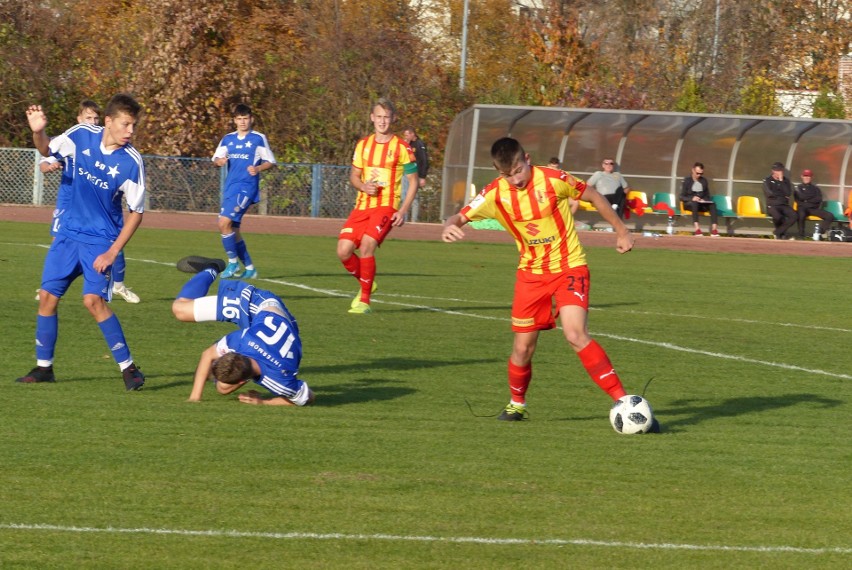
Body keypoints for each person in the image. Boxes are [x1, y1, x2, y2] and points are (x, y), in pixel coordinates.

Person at [442, 137, 652, 429]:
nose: (515, 179)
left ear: (526, 159)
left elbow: (592, 194)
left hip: (569, 266)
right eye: (507, 174)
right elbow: (459, 215)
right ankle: (517, 404)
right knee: (522, 349)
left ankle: (623, 401)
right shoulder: (494, 193)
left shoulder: (553, 179)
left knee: (575, 333)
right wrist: (450, 226)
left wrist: (621, 231)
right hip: (531, 275)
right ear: (498, 172)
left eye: (518, 170)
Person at [16, 94, 146, 390]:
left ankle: (129, 369)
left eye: (134, 126)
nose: (130, 131)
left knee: (93, 301)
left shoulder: (131, 162)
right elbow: (47, 149)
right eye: (126, 124)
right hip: (68, 235)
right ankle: (43, 368)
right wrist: (38, 131)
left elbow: (136, 213)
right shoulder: (81, 136)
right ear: (110, 122)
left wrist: (113, 252)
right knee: (48, 298)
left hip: (100, 241)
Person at [173, 255, 314, 406]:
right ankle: (212, 268)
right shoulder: (242, 342)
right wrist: (195, 397)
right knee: (180, 310)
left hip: (261, 315)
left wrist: (262, 402)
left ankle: (211, 269)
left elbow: (309, 398)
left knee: (223, 388)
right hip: (261, 309)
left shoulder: (279, 379)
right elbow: (208, 355)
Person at [39, 100, 140, 303]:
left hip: (102, 210)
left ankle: (117, 284)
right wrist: (47, 160)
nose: (93, 122)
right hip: (69, 201)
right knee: (58, 239)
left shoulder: (128, 158)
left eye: (95, 118)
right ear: (80, 119)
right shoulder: (78, 137)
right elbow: (46, 156)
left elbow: (137, 211)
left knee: (111, 247)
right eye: (89, 118)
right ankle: (53, 280)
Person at [337, 98, 419, 314]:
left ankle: (364, 300)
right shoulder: (363, 145)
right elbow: (354, 176)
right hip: (362, 206)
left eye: (387, 117)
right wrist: (363, 186)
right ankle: (367, 282)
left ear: (393, 119)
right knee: (343, 251)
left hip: (386, 207)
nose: (383, 121)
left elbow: (414, 182)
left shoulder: (402, 147)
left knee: (366, 246)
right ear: (372, 118)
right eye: (379, 117)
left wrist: (402, 210)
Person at [212, 103, 277, 279]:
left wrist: (258, 169)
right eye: (239, 119)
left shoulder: (258, 138)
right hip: (230, 188)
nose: (242, 122)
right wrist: (220, 161)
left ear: (251, 119)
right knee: (233, 229)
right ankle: (250, 268)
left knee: (223, 223)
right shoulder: (228, 139)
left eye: (245, 118)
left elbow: (270, 161)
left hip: (246, 187)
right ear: (234, 120)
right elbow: (216, 158)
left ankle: (232, 263)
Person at [680, 162, 720, 236]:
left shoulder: (704, 181)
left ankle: (714, 230)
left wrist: (704, 200)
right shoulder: (687, 181)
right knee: (695, 203)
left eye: (701, 174)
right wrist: (692, 198)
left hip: (701, 204)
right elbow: (681, 197)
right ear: (693, 170)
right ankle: (697, 229)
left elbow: (707, 195)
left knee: (712, 204)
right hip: (690, 204)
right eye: (697, 173)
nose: (699, 175)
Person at [794, 169, 834, 239]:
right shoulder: (798, 188)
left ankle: (819, 232)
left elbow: (819, 199)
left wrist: (806, 200)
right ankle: (801, 235)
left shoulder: (815, 188)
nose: (806, 178)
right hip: (802, 208)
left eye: (808, 176)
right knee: (801, 214)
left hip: (813, 209)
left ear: (811, 177)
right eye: (805, 176)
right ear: (802, 176)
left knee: (829, 215)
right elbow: (799, 198)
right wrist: (811, 199)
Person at [763, 162, 798, 240]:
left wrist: (781, 181)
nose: (779, 172)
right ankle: (782, 235)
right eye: (777, 170)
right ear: (773, 171)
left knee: (794, 216)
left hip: (784, 204)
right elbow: (769, 193)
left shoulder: (785, 181)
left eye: (780, 170)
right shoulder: (767, 180)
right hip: (772, 204)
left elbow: (788, 193)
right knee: (778, 216)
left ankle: (778, 232)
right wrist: (781, 195)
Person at [402, 126, 429, 222]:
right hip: (406, 173)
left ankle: (414, 220)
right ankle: (404, 218)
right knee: (404, 195)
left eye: (407, 135)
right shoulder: (408, 145)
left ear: (412, 134)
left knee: (414, 196)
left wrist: (422, 176)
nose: (405, 137)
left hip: (416, 174)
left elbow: (424, 160)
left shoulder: (419, 144)